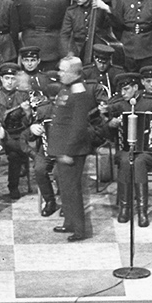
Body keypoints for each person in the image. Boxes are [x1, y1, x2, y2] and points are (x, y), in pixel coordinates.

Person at [47, 53, 98, 241]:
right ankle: (68, 222)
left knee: (72, 189)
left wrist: (68, 151)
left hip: (72, 151)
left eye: (63, 70)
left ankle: (79, 229)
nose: (59, 74)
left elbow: (78, 126)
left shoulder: (79, 92)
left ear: (75, 73)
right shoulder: (67, 87)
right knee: (64, 187)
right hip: (61, 147)